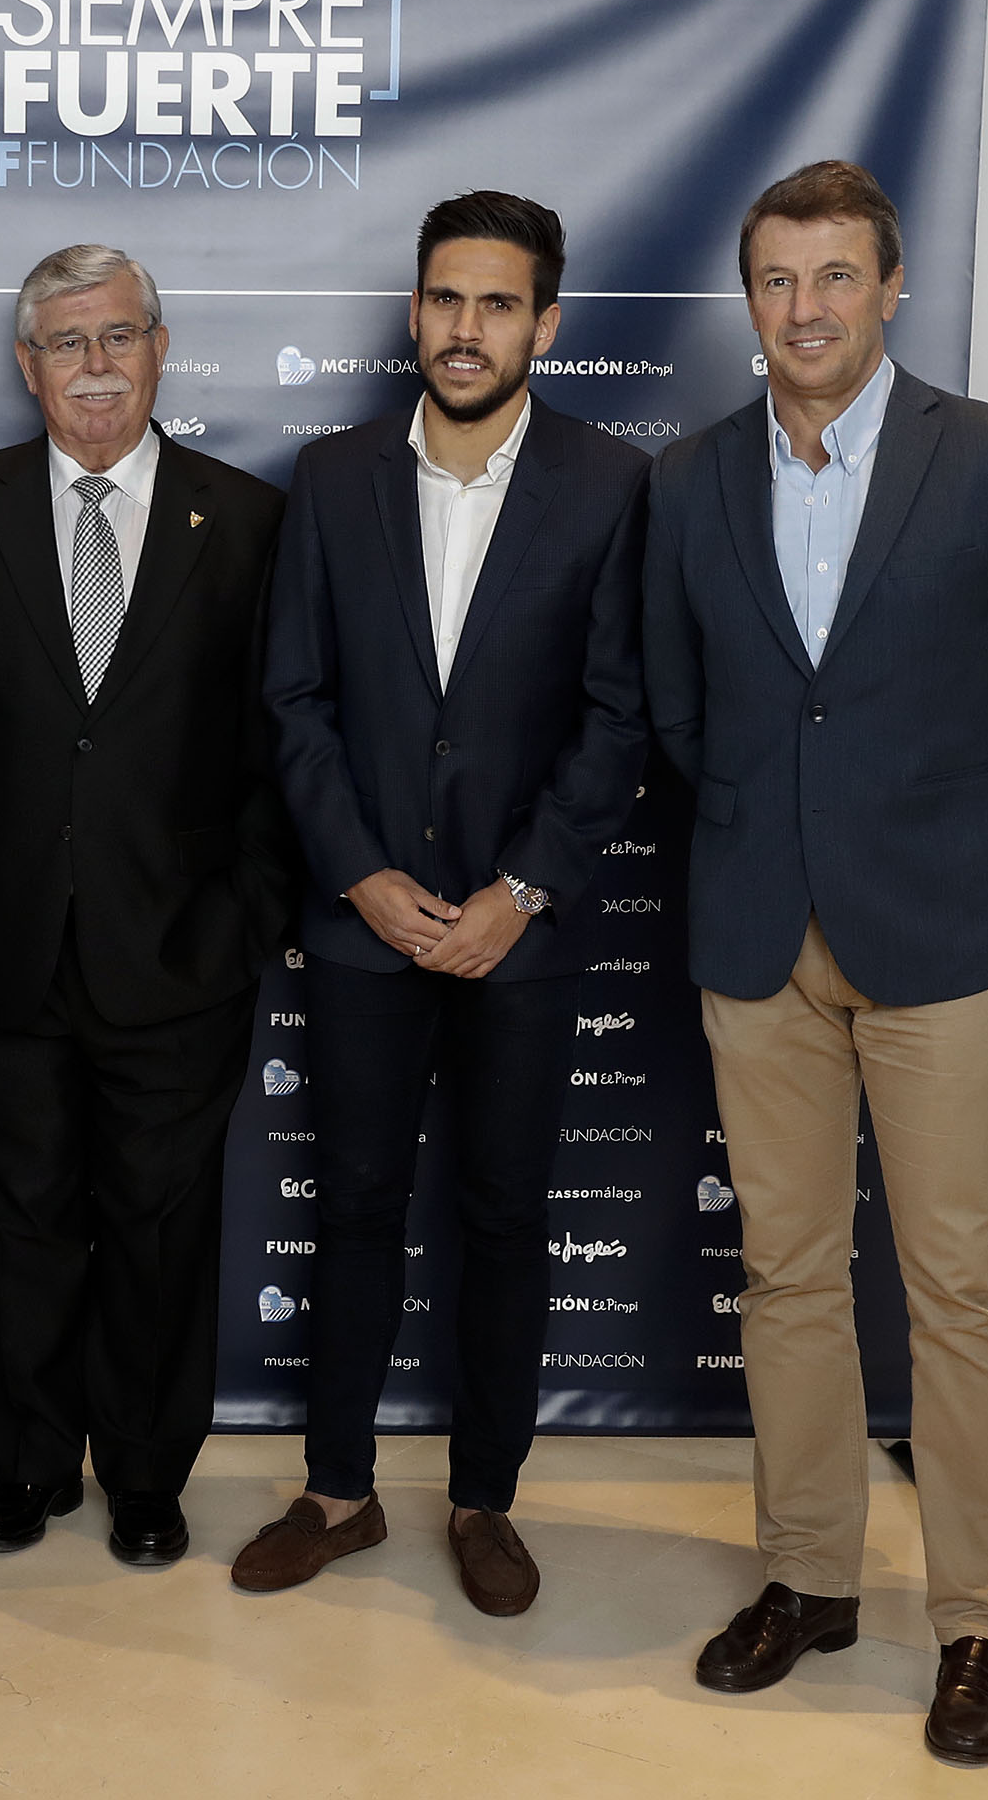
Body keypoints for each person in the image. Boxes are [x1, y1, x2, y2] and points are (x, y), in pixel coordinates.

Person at [646, 160, 988, 1767]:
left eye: (837, 276)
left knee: (960, 1287)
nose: (807, 308)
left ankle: (980, 1622)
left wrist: (944, 834)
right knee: (786, 1274)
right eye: (779, 279)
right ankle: (809, 1577)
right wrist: (791, 837)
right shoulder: (690, 479)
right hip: (758, 936)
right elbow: (680, 712)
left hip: (941, 940)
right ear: (750, 299)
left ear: (891, 287)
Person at [243, 192, 650, 1614]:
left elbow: (619, 715)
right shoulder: (332, 474)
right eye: (443, 299)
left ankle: (487, 1502)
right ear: (414, 311)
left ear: (546, 323)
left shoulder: (612, 483)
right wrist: (360, 873)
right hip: (362, 926)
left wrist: (520, 890)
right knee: (354, 1207)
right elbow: (292, 700)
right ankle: (336, 1493)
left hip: (518, 935)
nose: (465, 329)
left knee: (503, 1216)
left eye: (496, 304)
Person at [0, 244, 292, 1567]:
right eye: (66, 342)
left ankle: (148, 1478)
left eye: (117, 337)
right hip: (1, 948)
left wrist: (253, 912)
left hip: (183, 949)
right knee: (20, 1227)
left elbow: (280, 740)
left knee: (162, 1236)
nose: (95, 366)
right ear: (27, 365)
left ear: (160, 349)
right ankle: (30, 1467)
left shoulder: (249, 518)